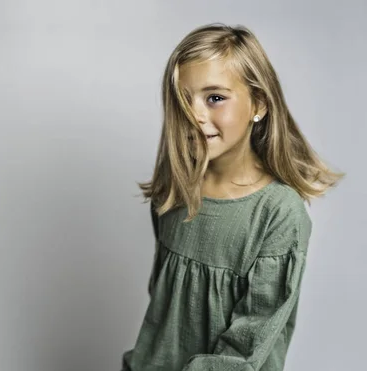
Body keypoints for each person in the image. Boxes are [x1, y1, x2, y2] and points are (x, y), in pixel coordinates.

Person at [121, 23, 344, 371]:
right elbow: (164, 309)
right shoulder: (174, 189)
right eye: (183, 100)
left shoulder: (278, 213)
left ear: (259, 103)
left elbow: (247, 342)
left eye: (215, 98)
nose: (195, 116)